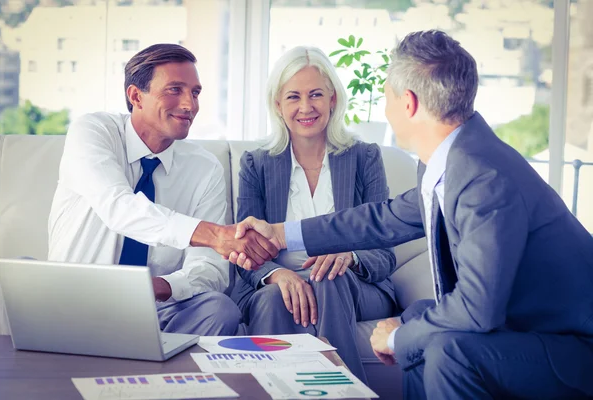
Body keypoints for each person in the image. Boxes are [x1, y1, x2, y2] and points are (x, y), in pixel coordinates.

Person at [229, 31, 593, 399]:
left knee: (443, 348)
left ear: (409, 103)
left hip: (571, 343)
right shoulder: (452, 159)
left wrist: (399, 337)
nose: (384, 109)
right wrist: (280, 233)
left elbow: (477, 310)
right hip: (531, 327)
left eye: (387, 96)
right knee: (418, 317)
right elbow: (382, 219)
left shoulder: (483, 175)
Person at [46, 44, 278, 337]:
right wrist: (216, 235)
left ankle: (168, 380)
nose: (189, 105)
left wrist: (162, 286)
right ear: (135, 96)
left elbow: (211, 269)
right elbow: (119, 208)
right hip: (78, 301)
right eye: (174, 90)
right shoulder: (93, 132)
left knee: (220, 310)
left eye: (195, 93)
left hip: (155, 308)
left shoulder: (204, 168)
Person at [230, 46, 398, 383]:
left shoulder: (364, 157)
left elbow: (385, 249)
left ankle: (344, 390)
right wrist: (278, 275)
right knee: (273, 299)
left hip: (356, 285)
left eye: (316, 94)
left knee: (328, 278)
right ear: (278, 105)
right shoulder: (256, 164)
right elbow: (245, 251)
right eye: (293, 96)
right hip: (278, 284)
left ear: (333, 98)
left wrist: (350, 255)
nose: (306, 107)